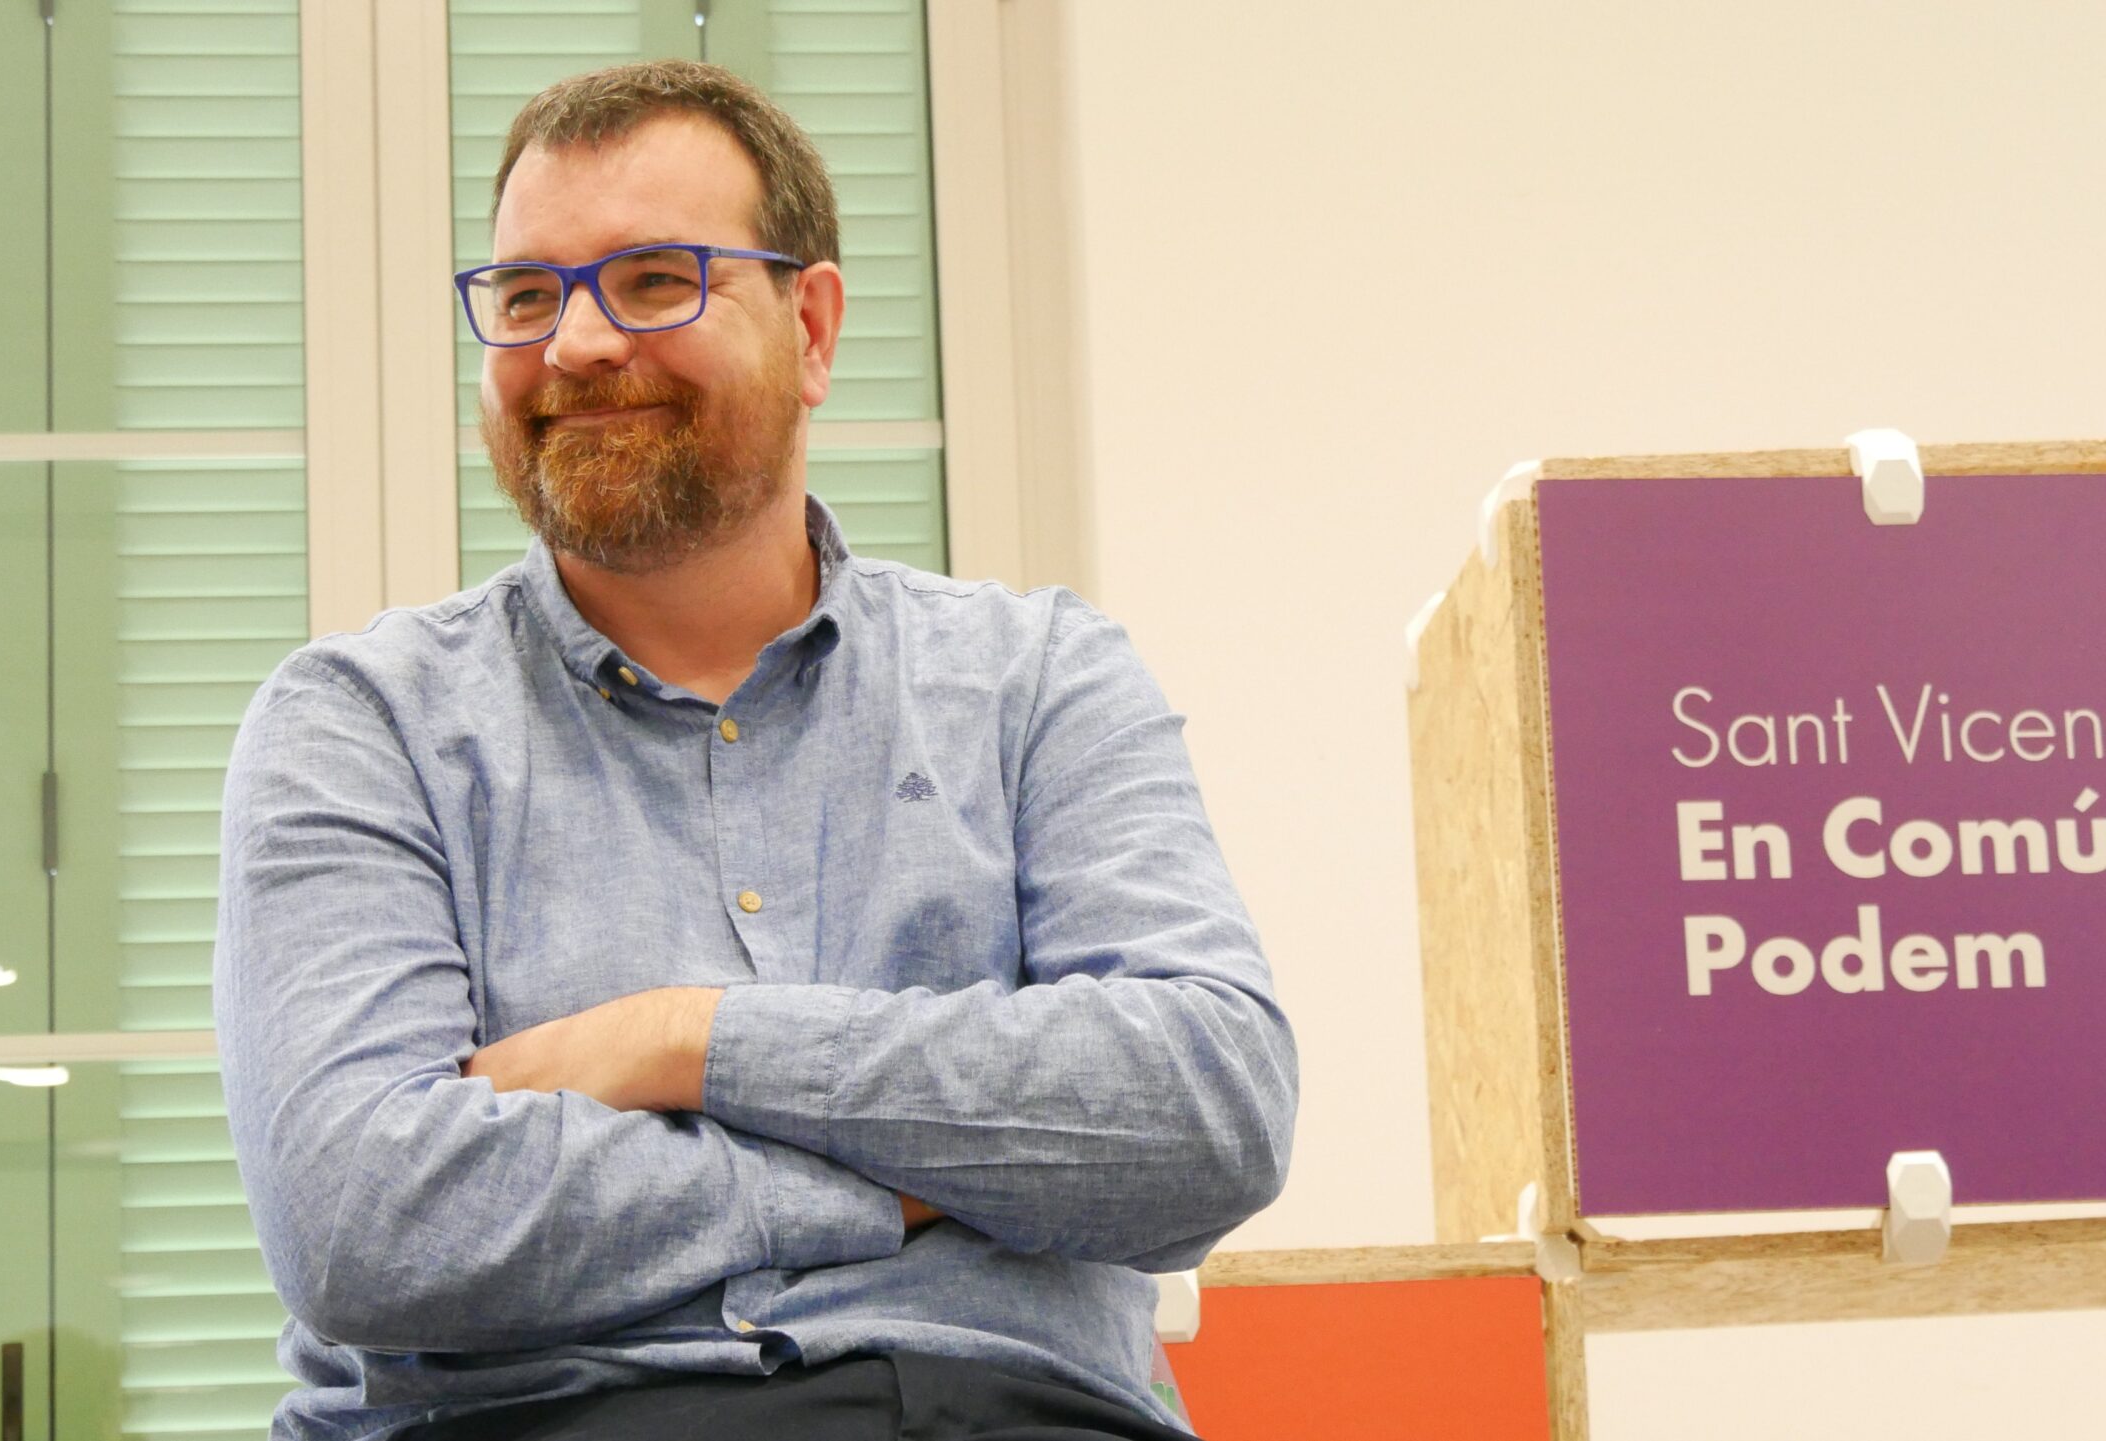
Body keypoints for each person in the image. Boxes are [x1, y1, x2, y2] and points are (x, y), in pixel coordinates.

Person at [213, 60, 1298, 1441]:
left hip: (1004, 1412)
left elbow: (1207, 1110)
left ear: (814, 327)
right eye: (529, 295)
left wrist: (681, 1040)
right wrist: (917, 1178)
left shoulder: (1037, 677)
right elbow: (361, 1222)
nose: (576, 343)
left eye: (655, 280)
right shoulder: (357, 725)